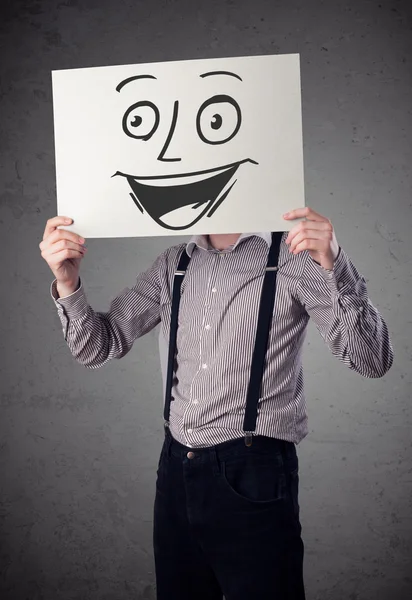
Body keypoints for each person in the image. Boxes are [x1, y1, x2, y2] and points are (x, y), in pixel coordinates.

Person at [40, 206, 394, 600]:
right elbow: (97, 347)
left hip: (252, 470)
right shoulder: (174, 263)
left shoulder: (296, 258)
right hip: (175, 469)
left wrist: (336, 265)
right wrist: (67, 282)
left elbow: (371, 359)